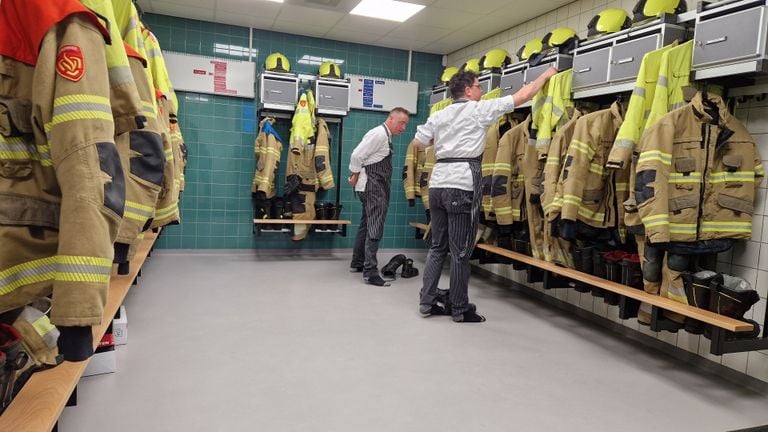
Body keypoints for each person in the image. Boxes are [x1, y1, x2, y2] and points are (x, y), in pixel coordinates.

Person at [412, 67, 557, 322]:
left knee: (437, 247)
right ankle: (459, 309)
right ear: (468, 90)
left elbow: (418, 142)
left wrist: (445, 140)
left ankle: (427, 302)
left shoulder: (440, 114)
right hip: (461, 183)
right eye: (479, 86)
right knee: (459, 252)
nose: (482, 91)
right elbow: (523, 96)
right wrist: (547, 75)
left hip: (437, 183)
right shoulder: (478, 110)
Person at [349, 107, 410, 286]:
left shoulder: (385, 135)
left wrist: (356, 175)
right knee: (375, 227)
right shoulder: (379, 134)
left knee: (366, 225)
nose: (404, 127)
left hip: (373, 186)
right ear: (391, 119)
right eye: (401, 123)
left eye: (406, 124)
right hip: (373, 187)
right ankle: (370, 272)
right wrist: (354, 174)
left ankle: (357, 263)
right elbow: (356, 155)